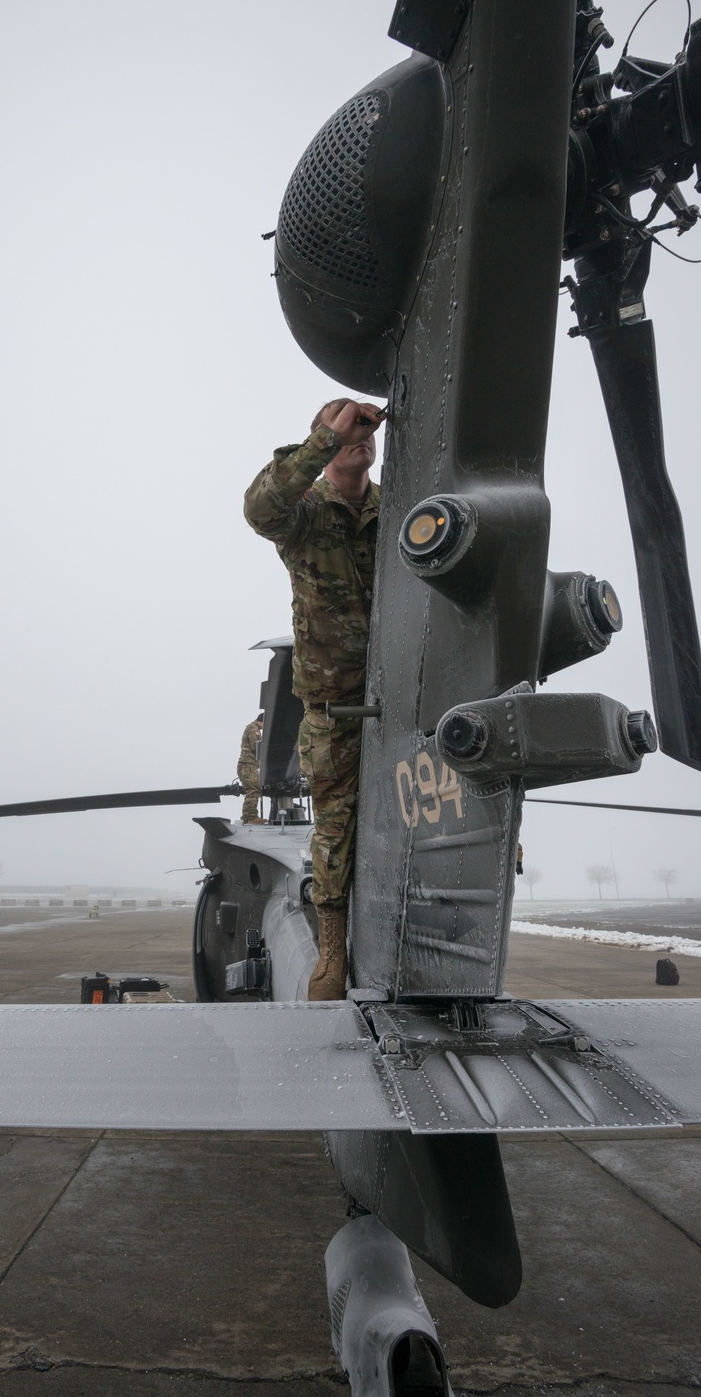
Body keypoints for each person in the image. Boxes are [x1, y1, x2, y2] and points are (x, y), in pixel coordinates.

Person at [244, 397, 384, 999]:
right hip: (331, 703)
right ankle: (331, 950)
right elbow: (259, 509)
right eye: (347, 429)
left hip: (402, 694)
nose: (362, 436)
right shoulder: (304, 515)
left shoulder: (400, 510)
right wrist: (324, 440)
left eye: (368, 430)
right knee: (333, 823)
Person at [237, 713, 265, 823]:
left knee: (252, 789)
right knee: (253, 790)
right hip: (248, 765)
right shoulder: (254, 729)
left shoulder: (252, 727)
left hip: (247, 765)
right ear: (260, 721)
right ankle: (251, 817)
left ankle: (248, 816)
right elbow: (256, 747)